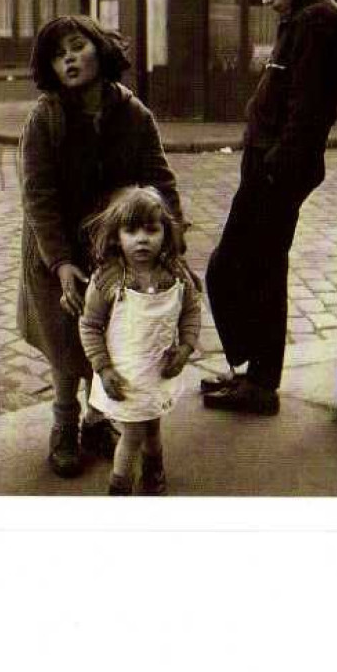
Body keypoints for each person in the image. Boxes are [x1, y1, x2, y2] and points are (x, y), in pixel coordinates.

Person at [17, 15, 187, 479]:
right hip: (56, 255)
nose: (68, 59)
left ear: (100, 49)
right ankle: (64, 425)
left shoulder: (134, 115)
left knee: (109, 336)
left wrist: (173, 239)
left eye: (76, 47)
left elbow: (160, 180)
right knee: (66, 345)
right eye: (57, 54)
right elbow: (38, 197)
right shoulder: (44, 118)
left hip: (114, 253)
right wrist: (61, 263)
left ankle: (96, 421)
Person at [203, 0, 337, 415]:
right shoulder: (300, 18)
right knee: (254, 270)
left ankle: (261, 382)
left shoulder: (317, 22)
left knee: (235, 270)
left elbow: (307, 114)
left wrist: (272, 172)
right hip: (267, 164)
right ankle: (255, 374)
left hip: (276, 170)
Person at [78, 186, 202, 496]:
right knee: (132, 433)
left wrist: (185, 349)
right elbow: (90, 324)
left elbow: (191, 312)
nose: (142, 238)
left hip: (158, 370)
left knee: (152, 423)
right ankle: (120, 486)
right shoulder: (109, 279)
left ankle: (154, 469)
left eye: (151, 229)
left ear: (166, 233)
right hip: (124, 376)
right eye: (131, 230)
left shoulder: (175, 275)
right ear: (117, 236)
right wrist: (103, 368)